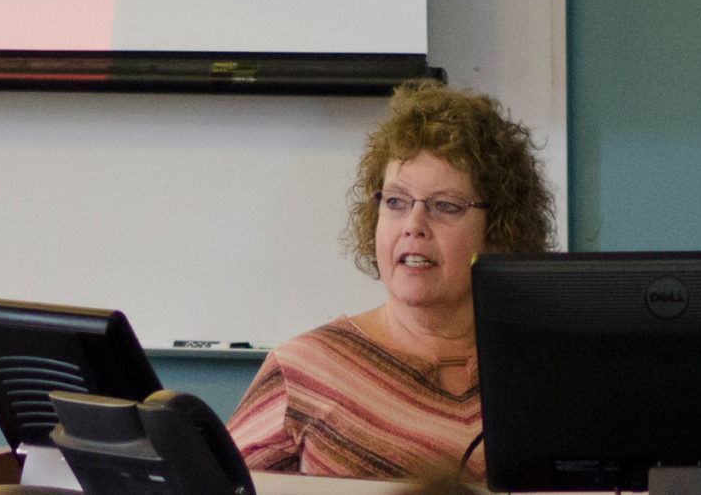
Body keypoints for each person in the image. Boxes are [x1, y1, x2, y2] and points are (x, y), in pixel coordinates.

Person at [226, 78, 556, 483]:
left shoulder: (550, 372)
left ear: (501, 228)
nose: (414, 226)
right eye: (396, 202)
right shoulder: (303, 371)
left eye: (445, 206)